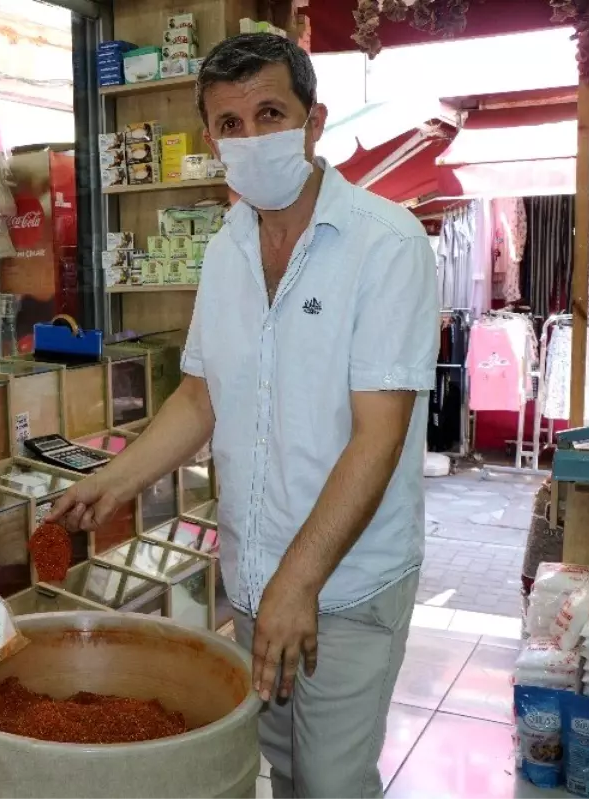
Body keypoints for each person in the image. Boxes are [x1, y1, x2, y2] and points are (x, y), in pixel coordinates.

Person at [48, 33, 437, 798]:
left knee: (331, 783)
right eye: (230, 124)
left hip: (346, 585)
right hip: (255, 582)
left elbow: (380, 433)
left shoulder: (386, 246)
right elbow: (201, 395)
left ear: (314, 121)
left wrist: (299, 584)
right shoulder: (225, 248)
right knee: (284, 774)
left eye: (270, 113)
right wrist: (115, 479)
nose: (251, 138)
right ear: (211, 139)